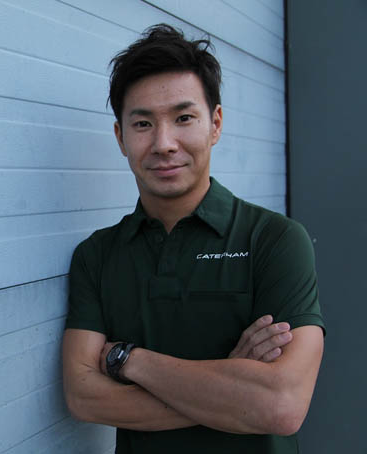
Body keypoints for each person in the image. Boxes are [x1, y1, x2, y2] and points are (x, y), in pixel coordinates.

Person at [62, 24, 325, 453]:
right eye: (143, 123)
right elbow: (83, 398)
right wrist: (234, 387)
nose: (164, 143)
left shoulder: (274, 240)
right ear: (120, 137)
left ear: (215, 124)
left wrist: (129, 359)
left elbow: (281, 405)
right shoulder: (97, 255)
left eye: (184, 118)